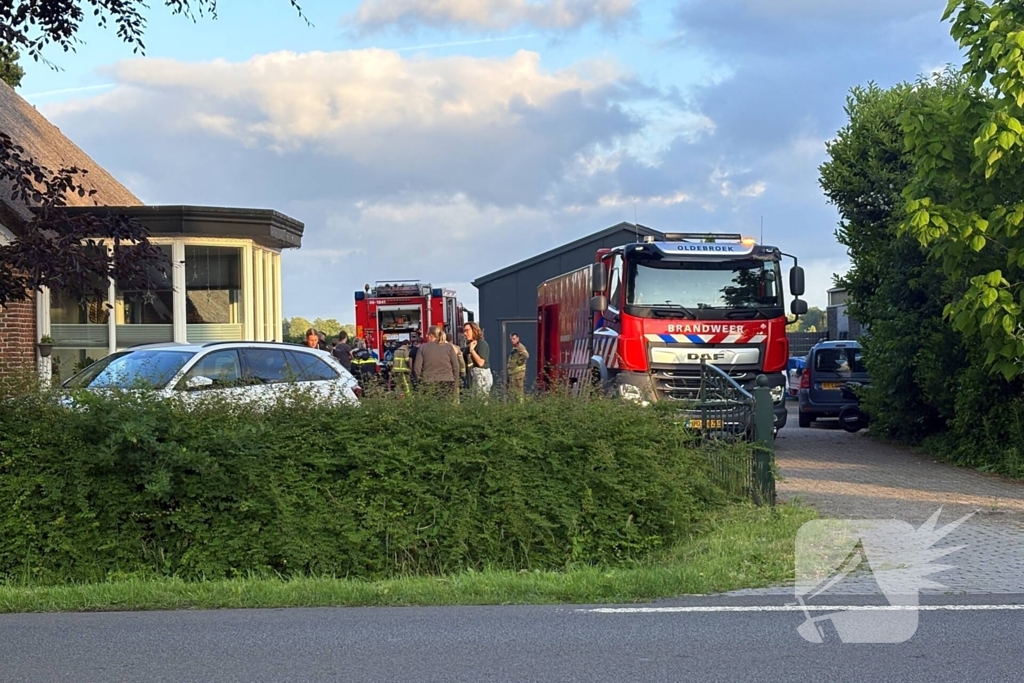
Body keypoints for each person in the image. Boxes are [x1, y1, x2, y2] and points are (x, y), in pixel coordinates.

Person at [413, 329, 461, 402]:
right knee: (446, 406)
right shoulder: (449, 347)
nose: (426, 336)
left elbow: (417, 368)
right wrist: (456, 381)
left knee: (429, 407)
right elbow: (456, 366)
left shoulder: (423, 347)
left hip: (428, 381)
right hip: (447, 381)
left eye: (427, 335)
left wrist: (420, 381)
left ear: (431, 336)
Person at [462, 322, 492, 398]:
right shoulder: (472, 344)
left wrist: (472, 350)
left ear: (474, 330)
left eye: (467, 330)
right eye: (464, 331)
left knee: (481, 400)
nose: (465, 333)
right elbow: (461, 351)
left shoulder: (482, 344)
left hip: (482, 375)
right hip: (475, 375)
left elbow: (481, 362)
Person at [506, 332, 529, 402]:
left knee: (519, 391)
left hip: (518, 373)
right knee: (512, 390)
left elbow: (526, 355)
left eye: (514, 338)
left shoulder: (520, 347)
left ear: (518, 338)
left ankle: (520, 406)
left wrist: (519, 361)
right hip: (513, 373)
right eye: (511, 339)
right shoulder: (515, 347)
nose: (512, 340)